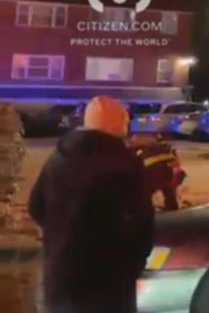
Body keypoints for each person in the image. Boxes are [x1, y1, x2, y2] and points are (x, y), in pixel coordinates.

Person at [29, 96, 155, 313]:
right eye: (125, 120)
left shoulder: (58, 158)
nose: (127, 127)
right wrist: (133, 269)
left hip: (59, 279)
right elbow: (143, 227)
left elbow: (35, 207)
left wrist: (60, 238)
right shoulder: (126, 165)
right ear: (112, 123)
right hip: (107, 287)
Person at [129, 133, 185, 211]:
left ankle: (144, 209)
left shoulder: (136, 150)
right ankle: (172, 207)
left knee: (144, 193)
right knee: (168, 191)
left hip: (152, 174)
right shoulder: (166, 147)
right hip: (170, 174)